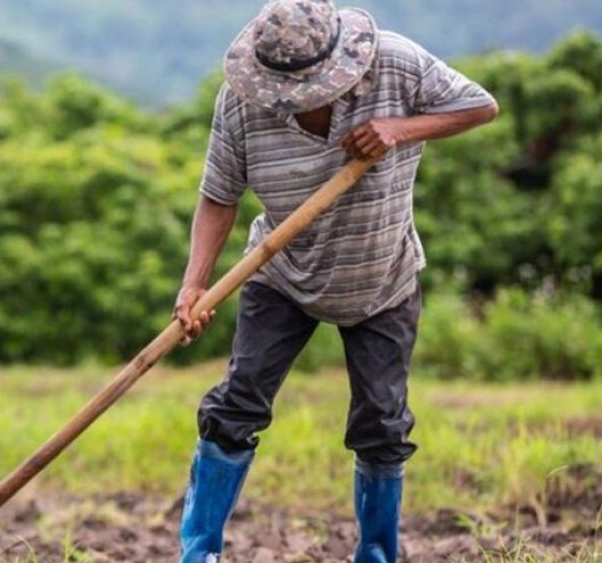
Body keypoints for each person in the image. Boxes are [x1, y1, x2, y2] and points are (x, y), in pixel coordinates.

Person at [173, 1, 499, 561]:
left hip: (382, 276)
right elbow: (218, 196)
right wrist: (193, 287)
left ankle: (376, 554)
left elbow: (480, 106)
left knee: (382, 423)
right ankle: (198, 553)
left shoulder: (395, 64)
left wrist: (401, 128)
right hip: (280, 275)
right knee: (236, 407)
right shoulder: (242, 104)